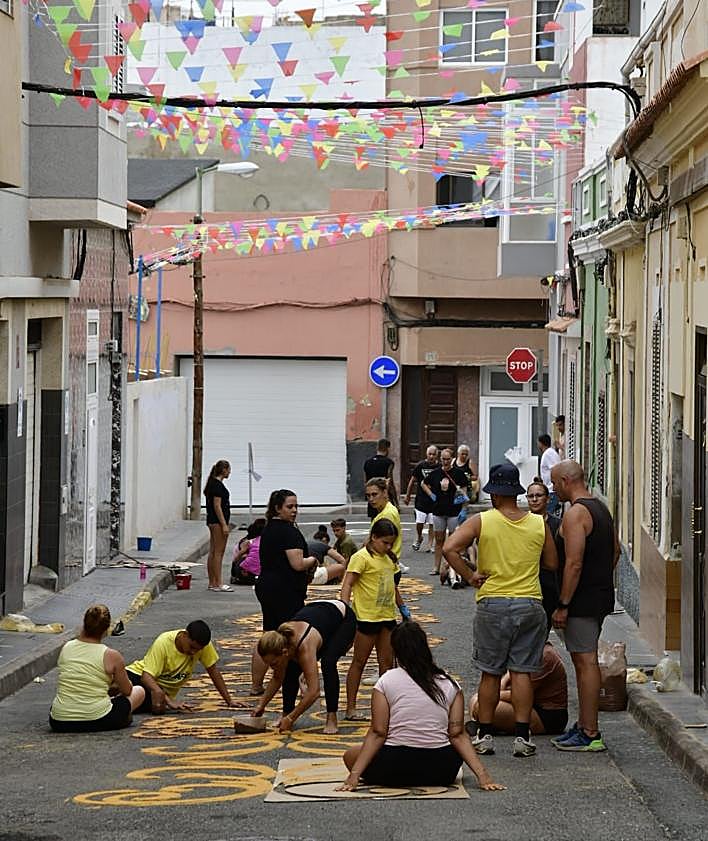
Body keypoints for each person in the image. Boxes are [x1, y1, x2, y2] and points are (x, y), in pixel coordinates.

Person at [442, 463, 558, 758]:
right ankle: (523, 737)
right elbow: (552, 563)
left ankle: (485, 733)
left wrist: (470, 577)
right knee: (521, 672)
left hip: (492, 602)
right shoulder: (537, 523)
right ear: (516, 492)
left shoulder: (484, 521)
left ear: (494, 494)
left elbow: (450, 548)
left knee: (491, 672)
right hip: (530, 602)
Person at [337, 622, 504, 792]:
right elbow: (458, 734)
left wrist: (354, 776)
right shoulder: (449, 683)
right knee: (450, 747)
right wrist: (483, 776)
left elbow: (378, 732)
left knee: (350, 755)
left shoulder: (386, 681)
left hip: (393, 767)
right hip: (441, 770)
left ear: (395, 650)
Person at [550, 460, 620, 752]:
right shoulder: (600, 508)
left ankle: (590, 732)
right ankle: (583, 725)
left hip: (581, 601)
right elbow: (615, 551)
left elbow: (574, 563)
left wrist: (564, 603)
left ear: (567, 480)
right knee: (584, 659)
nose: (553, 488)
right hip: (599, 596)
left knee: (584, 661)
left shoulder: (576, 514)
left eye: (555, 483)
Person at [250, 489, 319, 695]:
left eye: (296, 506)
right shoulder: (289, 532)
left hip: (267, 586)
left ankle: (256, 685)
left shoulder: (269, 528)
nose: (295, 510)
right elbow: (297, 564)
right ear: (277, 508)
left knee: (269, 635)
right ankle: (301, 683)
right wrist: (313, 559)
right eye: (290, 507)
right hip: (285, 591)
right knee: (292, 637)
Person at [252, 599, 356, 735]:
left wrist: (292, 718)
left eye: (273, 664)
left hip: (342, 618)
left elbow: (313, 692)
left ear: (284, 652)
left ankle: (332, 718)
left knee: (328, 663)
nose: (272, 668)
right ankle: (285, 712)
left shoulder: (304, 646)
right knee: (290, 669)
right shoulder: (281, 639)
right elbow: (277, 677)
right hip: (319, 614)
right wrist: (261, 705)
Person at [342, 518, 411, 720]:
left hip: (387, 617)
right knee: (359, 662)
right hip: (366, 618)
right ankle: (351, 708)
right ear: (373, 537)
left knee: (387, 666)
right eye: (385, 542)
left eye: (391, 543)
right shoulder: (361, 557)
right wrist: (345, 609)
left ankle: (386, 709)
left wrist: (403, 607)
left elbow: (393, 586)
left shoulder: (389, 559)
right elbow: (347, 584)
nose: (388, 546)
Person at [49, 605, 145, 732]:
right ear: (106, 629)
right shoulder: (111, 655)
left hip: (59, 721)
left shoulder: (67, 647)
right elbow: (127, 691)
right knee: (139, 691)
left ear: (84, 623)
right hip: (98, 719)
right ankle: (120, 716)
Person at [126, 620, 235, 713]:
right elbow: (146, 677)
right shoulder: (163, 642)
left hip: (159, 689)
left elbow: (213, 671)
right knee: (129, 691)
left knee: (156, 705)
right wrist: (169, 701)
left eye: (197, 650)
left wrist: (229, 701)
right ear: (184, 635)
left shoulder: (203, 646)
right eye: (191, 647)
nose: (193, 652)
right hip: (139, 676)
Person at [468, 640, 568, 737]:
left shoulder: (544, 655)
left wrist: (496, 694)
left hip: (546, 715)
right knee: (477, 700)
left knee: (481, 706)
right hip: (526, 704)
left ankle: (489, 725)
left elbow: (521, 696)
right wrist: (500, 686)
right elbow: (510, 676)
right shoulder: (525, 649)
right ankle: (492, 724)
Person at [421, 448, 469, 581]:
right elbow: (423, 483)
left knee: (453, 541)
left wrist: (464, 509)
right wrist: (431, 495)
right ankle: (436, 567)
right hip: (438, 510)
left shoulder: (458, 474)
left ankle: (451, 566)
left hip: (454, 511)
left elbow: (464, 492)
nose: (445, 461)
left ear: (452, 459)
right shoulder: (436, 473)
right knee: (439, 540)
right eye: (443, 459)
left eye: (448, 459)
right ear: (440, 459)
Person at [526, 479, 561, 629]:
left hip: (550, 587)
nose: (534, 499)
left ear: (547, 499)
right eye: (530, 496)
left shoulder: (559, 525)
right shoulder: (520, 524)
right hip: (527, 587)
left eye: (538, 495)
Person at [365, 477, 408, 573]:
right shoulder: (387, 510)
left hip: (383, 567)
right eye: (368, 496)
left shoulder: (386, 514)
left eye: (374, 494)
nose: (371, 499)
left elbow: (375, 544)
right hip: (386, 565)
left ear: (384, 493)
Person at [204, 459, 233, 592]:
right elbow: (217, 506)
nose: (229, 472)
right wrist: (224, 524)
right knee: (218, 552)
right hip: (217, 522)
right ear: (224, 470)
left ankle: (212, 582)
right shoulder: (217, 486)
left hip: (212, 521)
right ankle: (218, 583)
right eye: (228, 469)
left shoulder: (212, 483)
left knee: (213, 551)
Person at [403, 445, 439, 553]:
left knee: (432, 523)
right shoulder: (420, 466)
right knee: (420, 523)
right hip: (421, 500)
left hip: (434, 500)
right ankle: (419, 537)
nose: (431, 456)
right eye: (430, 454)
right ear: (426, 454)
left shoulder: (439, 467)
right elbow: (412, 480)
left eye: (433, 454)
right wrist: (408, 495)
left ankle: (430, 544)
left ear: (437, 455)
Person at [363, 438, 396, 517]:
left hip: (372, 497)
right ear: (387, 448)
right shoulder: (389, 462)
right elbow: (390, 481)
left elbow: (365, 482)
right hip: (383, 497)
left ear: (377, 448)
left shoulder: (367, 462)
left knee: (374, 521)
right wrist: (395, 501)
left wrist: (367, 496)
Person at [231, 517, 266, 585]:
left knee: (243, 556)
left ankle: (235, 577)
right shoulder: (268, 541)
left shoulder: (246, 542)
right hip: (263, 574)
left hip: (245, 573)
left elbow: (235, 559)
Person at [538, 434, 561, 515]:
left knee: (548, 516)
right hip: (550, 489)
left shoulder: (549, 453)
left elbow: (556, 469)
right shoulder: (549, 453)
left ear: (540, 443)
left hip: (552, 490)